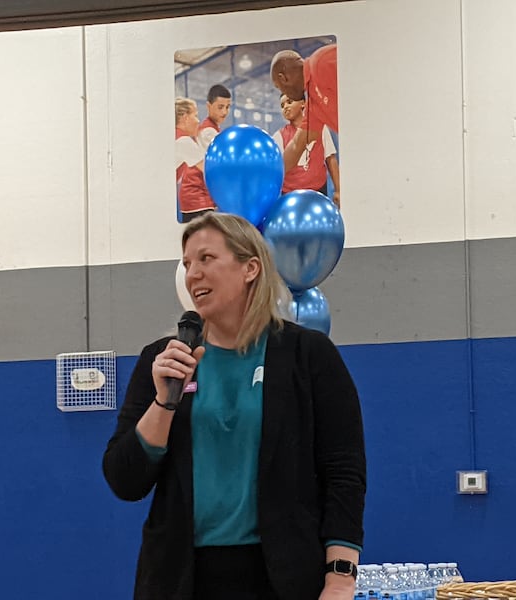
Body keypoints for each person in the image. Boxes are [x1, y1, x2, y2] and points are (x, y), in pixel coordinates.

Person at [102, 212, 366, 600]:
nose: (193, 274)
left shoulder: (307, 355)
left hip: (284, 576)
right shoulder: (162, 361)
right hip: (180, 578)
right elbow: (124, 481)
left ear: (250, 268)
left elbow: (344, 471)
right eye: (187, 263)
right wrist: (163, 401)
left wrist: (341, 577)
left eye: (206, 259)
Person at [270, 44, 338, 176]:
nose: (285, 95)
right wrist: (271, 176)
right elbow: (297, 145)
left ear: (283, 78)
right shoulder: (314, 107)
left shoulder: (322, 60)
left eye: (279, 88)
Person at [272, 93, 340, 207]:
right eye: (282, 105)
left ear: (303, 104)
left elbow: (330, 159)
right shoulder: (278, 136)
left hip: (318, 191)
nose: (285, 107)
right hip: (290, 195)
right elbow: (276, 170)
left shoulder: (320, 128)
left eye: (289, 102)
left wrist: (338, 189)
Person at [175, 97, 216, 222]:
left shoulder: (176, 136)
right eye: (195, 115)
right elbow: (207, 169)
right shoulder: (183, 141)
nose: (198, 121)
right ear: (185, 118)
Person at [197, 84, 232, 151]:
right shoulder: (208, 133)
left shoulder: (213, 129)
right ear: (208, 106)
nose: (224, 112)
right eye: (220, 107)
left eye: (227, 107)